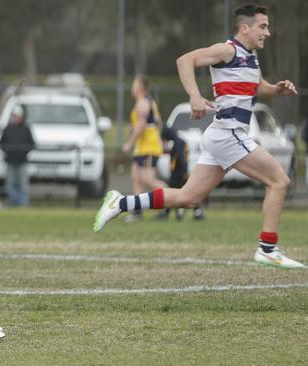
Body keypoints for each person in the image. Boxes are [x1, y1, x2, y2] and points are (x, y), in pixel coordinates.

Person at [93, 4, 304, 269]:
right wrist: (194, 95)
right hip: (228, 134)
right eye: (263, 26)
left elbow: (257, 87)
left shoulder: (251, 56)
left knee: (188, 197)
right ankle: (267, 249)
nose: (268, 32)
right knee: (279, 181)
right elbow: (185, 60)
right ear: (244, 28)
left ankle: (120, 202)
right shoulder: (228, 49)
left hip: (221, 135)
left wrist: (276, 89)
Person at [122, 75, 168, 222]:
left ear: (141, 87)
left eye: (134, 84)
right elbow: (157, 121)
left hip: (148, 147)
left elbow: (142, 125)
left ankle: (170, 202)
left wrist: (129, 143)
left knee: (149, 179)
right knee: (137, 179)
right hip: (143, 147)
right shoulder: (147, 102)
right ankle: (137, 212)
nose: (132, 87)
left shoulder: (143, 102)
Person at [157, 126, 204, 220]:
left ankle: (194, 212)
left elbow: (181, 158)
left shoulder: (178, 142)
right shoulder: (179, 141)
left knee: (175, 193)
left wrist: (184, 171)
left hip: (178, 173)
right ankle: (178, 212)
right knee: (181, 192)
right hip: (179, 172)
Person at [0, 104, 35, 206]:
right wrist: (9, 151)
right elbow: (1, 144)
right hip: (10, 161)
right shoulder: (8, 129)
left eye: (17, 116)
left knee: (23, 184)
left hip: (22, 161)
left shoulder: (26, 129)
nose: (15, 118)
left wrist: (23, 152)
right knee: (11, 184)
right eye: (14, 116)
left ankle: (23, 204)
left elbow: (32, 144)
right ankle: (12, 203)